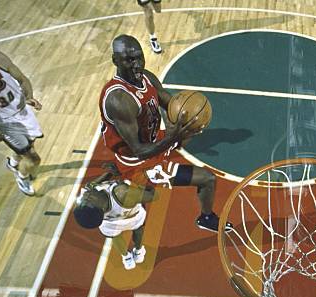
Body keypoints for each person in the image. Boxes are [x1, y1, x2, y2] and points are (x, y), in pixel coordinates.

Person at [99, 34, 231, 232]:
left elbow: (171, 104)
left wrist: (191, 114)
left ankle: (126, 183)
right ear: (115, 61)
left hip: (153, 142)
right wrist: (172, 137)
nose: (136, 65)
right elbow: (139, 151)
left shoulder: (146, 77)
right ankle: (206, 218)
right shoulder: (119, 99)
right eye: (128, 60)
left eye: (139, 57)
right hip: (137, 162)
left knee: (188, 131)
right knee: (207, 179)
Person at [73, 164, 153, 270]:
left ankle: (127, 257)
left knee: (115, 237)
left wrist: (110, 173)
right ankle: (138, 251)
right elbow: (152, 195)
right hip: (132, 216)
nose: (84, 198)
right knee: (138, 230)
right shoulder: (121, 193)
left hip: (110, 223)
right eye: (87, 201)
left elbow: (92, 186)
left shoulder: (96, 212)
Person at [0, 50, 43, 196]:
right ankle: (22, 178)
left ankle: (13, 163)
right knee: (33, 159)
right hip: (5, 123)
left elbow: (22, 79)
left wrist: (29, 96)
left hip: (22, 110)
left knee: (30, 143)